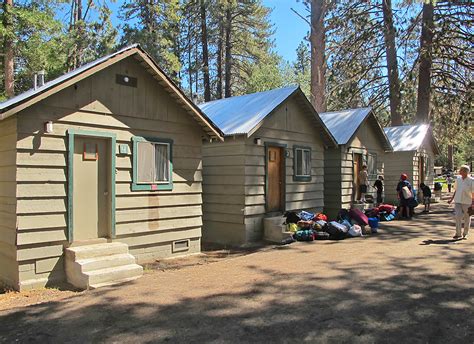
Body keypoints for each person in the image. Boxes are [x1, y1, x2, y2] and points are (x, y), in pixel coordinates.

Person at [448, 165, 474, 239]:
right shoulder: (458, 179)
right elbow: (456, 190)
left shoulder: (471, 180)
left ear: (466, 172)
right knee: (458, 216)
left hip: (467, 202)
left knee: (467, 218)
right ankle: (458, 233)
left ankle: (465, 233)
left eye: (461, 170)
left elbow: (473, 193)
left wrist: (473, 203)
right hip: (458, 201)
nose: (459, 171)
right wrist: (451, 199)